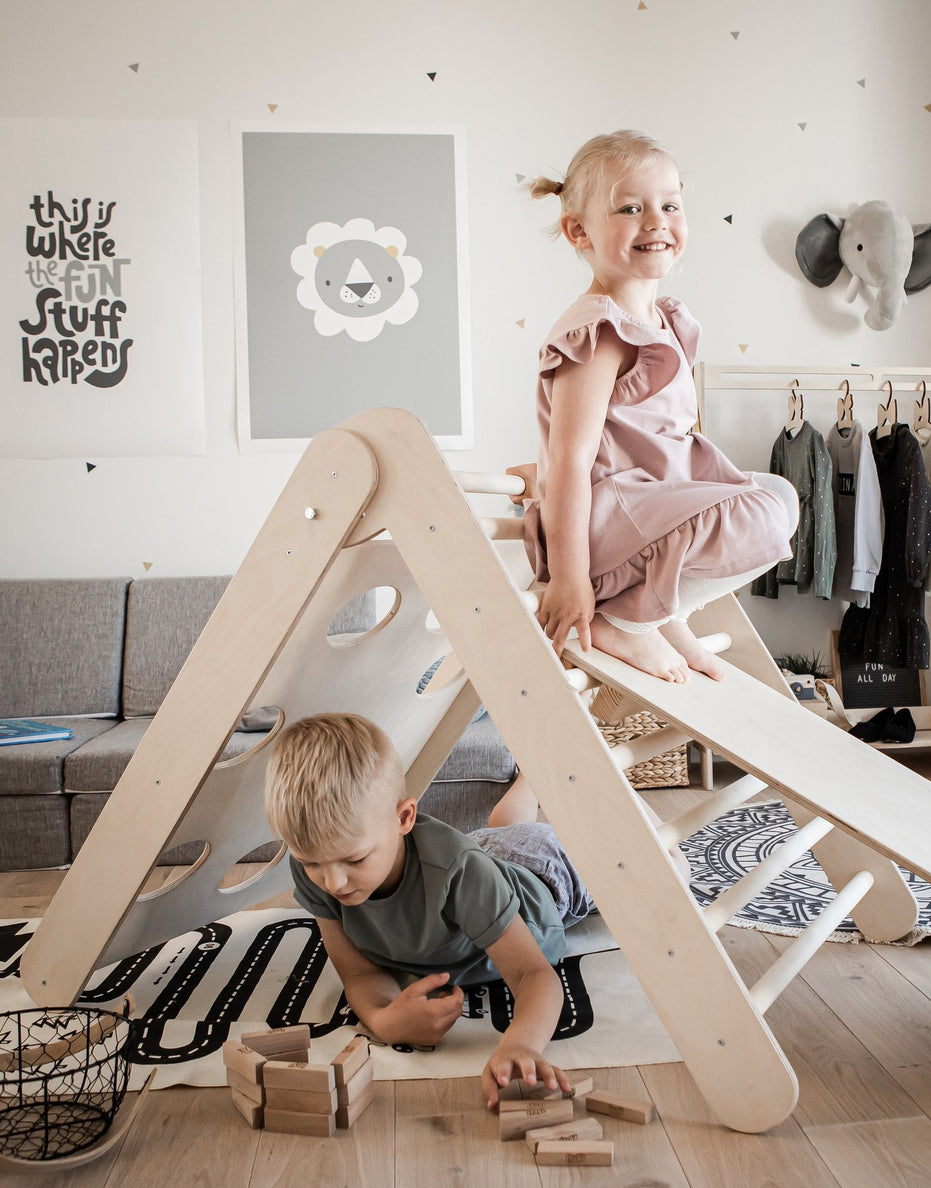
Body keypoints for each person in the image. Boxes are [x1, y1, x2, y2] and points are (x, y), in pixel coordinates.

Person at [521, 130, 799, 684]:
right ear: (580, 230)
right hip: (607, 523)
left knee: (780, 494)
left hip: (646, 512)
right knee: (763, 515)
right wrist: (569, 579)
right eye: (630, 208)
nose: (656, 222)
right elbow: (572, 459)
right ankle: (623, 619)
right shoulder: (598, 332)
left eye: (669, 205)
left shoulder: (664, 321)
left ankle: (661, 616)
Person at [263, 712, 593, 1109]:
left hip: (543, 872)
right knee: (498, 831)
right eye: (312, 862)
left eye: (354, 860)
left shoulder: (461, 873)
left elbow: (533, 975)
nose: (332, 884)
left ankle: (536, 775)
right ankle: (528, 782)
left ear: (404, 818)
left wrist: (521, 1044)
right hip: (473, 859)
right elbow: (359, 972)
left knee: (638, 864)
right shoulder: (315, 866)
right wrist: (384, 1019)